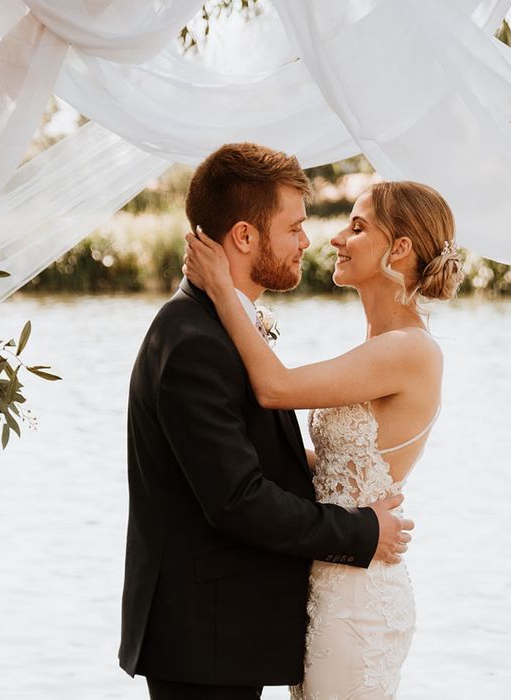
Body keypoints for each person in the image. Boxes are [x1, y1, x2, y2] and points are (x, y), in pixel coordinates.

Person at [119, 142, 414, 700]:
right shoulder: (193, 343)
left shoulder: (217, 327)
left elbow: (262, 459)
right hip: (206, 641)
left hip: (227, 636)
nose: (308, 241)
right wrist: (362, 531)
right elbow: (238, 499)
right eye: (294, 227)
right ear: (245, 237)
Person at [184, 178, 464, 698]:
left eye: (357, 227)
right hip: (329, 577)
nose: (334, 238)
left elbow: (274, 388)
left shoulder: (410, 350)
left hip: (358, 597)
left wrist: (223, 289)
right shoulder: (378, 346)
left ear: (398, 249)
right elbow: (333, 462)